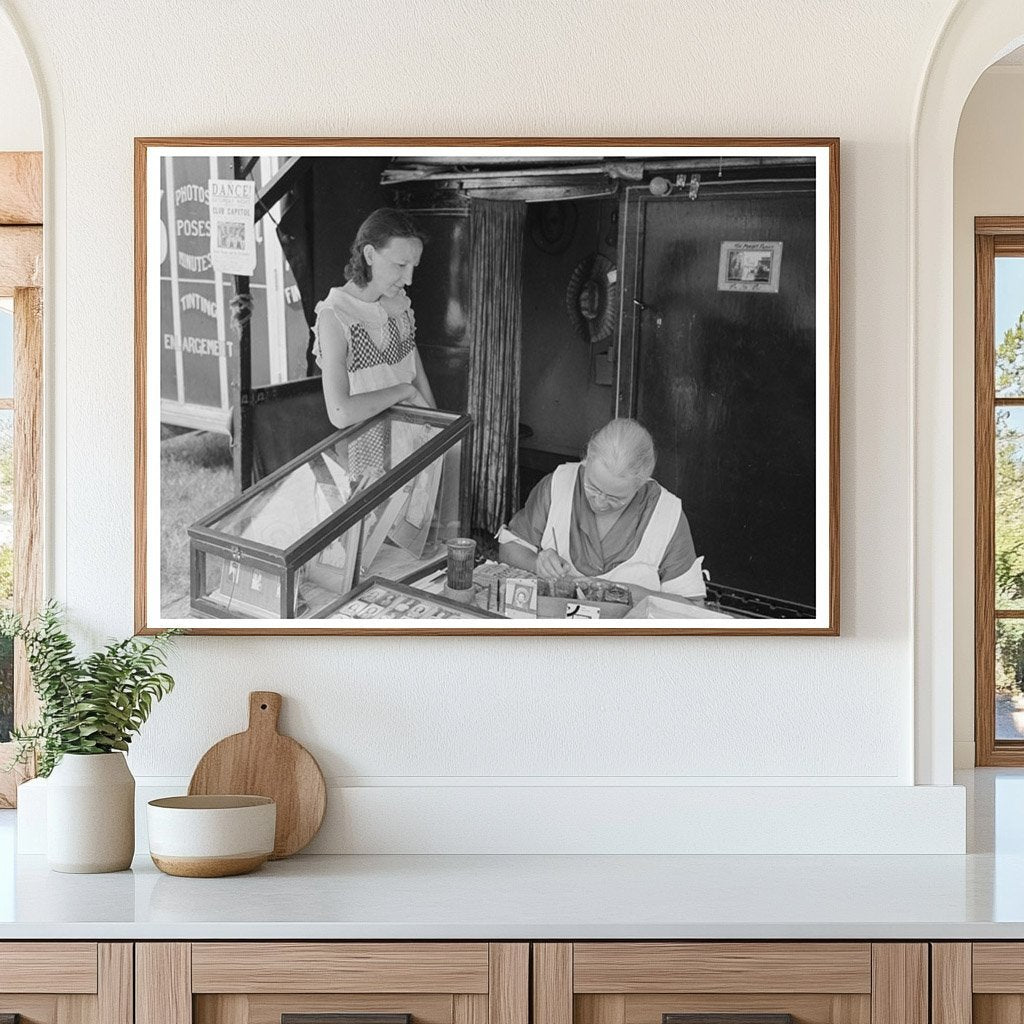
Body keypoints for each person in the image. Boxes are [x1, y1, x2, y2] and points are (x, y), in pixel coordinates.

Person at [497, 418, 706, 600]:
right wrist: (537, 563)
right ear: (586, 459)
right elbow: (509, 549)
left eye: (615, 498)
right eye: (592, 487)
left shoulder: (666, 514)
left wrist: (631, 594)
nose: (599, 502)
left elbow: (692, 606)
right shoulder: (558, 484)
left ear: (642, 483)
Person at [311, 208, 436, 428]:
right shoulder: (336, 316)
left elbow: (418, 376)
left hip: (416, 442)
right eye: (400, 265)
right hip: (373, 451)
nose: (408, 279)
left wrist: (439, 431)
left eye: (413, 267)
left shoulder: (399, 303)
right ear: (369, 255)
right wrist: (403, 391)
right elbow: (340, 413)